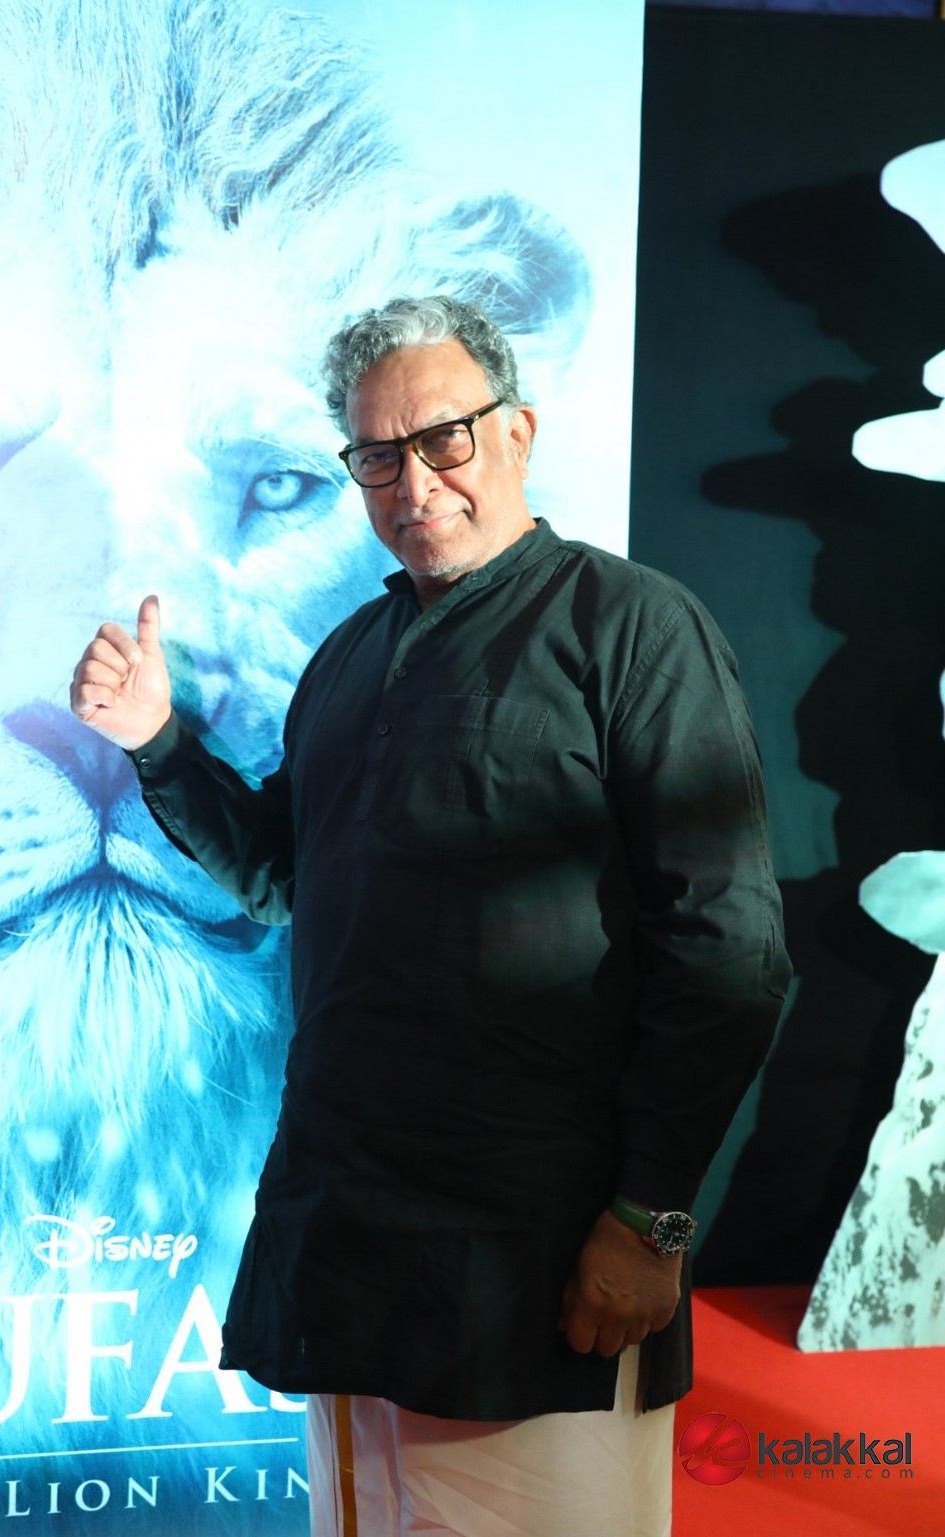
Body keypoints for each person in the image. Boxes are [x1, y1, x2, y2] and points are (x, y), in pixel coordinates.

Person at [70, 294, 790, 1536]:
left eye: (443, 439)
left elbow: (729, 952)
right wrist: (159, 743)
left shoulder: (633, 628)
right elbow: (282, 875)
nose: (414, 483)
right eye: (375, 457)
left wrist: (650, 1221)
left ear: (516, 431)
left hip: (540, 1269)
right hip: (347, 1245)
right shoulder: (349, 657)